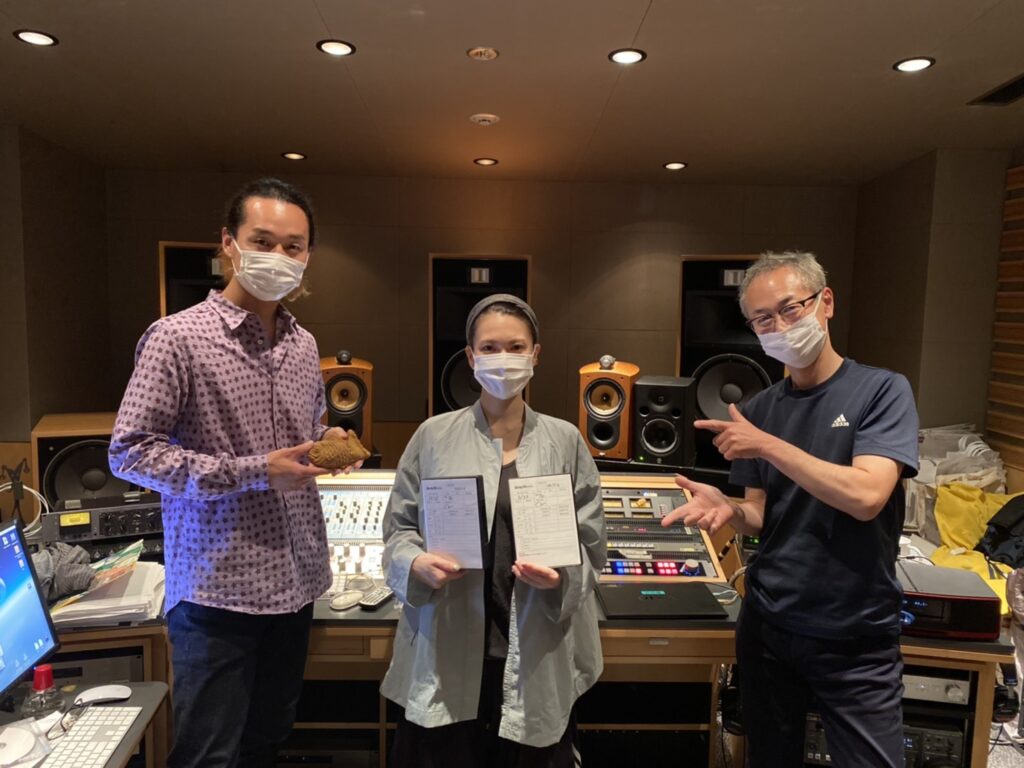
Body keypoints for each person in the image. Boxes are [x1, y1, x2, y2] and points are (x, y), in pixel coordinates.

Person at [109, 177, 359, 768]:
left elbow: (309, 426)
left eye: (293, 246)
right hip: (219, 594)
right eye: (263, 241)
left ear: (308, 256)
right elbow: (130, 452)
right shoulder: (177, 338)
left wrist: (328, 441)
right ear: (229, 243)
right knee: (208, 756)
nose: (279, 256)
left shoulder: (304, 344)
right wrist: (255, 472)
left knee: (267, 741)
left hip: (296, 583)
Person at [662, 251, 919, 767]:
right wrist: (730, 509)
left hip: (855, 631)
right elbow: (761, 514)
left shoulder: (881, 391)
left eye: (790, 309)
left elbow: (868, 497)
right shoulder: (760, 409)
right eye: (762, 320)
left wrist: (768, 446)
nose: (779, 327)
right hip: (769, 626)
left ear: (826, 302)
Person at [381, 294, 606, 767]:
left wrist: (562, 579)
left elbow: (592, 545)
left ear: (535, 354)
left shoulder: (565, 440)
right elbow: (399, 530)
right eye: (489, 347)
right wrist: (415, 563)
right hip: (447, 648)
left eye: (516, 347)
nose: (503, 358)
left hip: (536, 652)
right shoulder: (433, 436)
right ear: (470, 356)